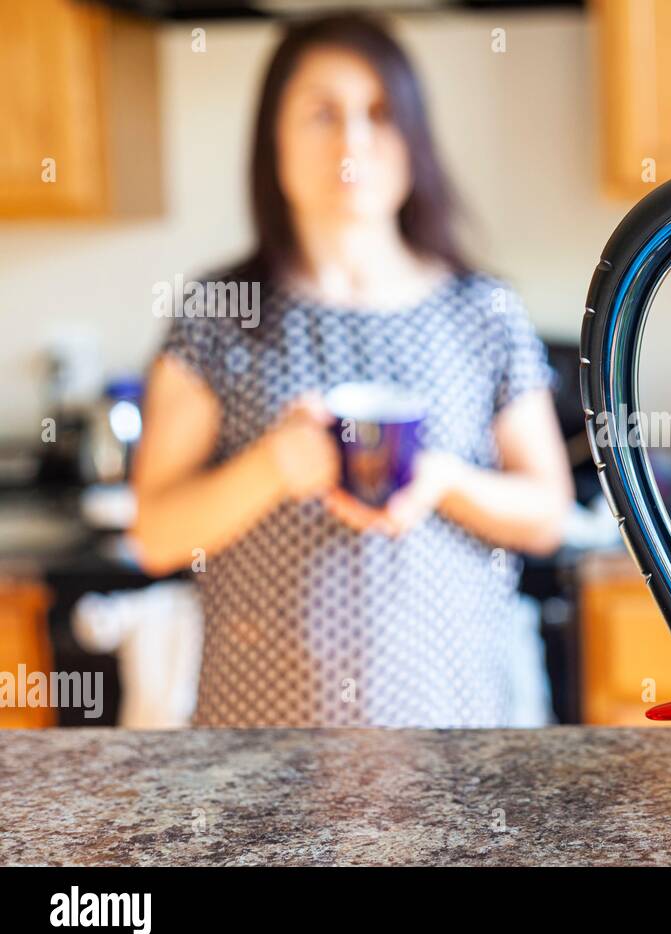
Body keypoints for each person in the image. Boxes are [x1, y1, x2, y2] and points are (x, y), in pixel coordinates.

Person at [130, 14, 573, 727]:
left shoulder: (482, 309)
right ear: (273, 142)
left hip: (452, 731)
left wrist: (443, 480)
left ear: (414, 138)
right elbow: (154, 534)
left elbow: (547, 515)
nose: (352, 143)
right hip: (261, 744)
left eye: (378, 114)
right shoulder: (219, 312)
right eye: (321, 114)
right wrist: (272, 465)